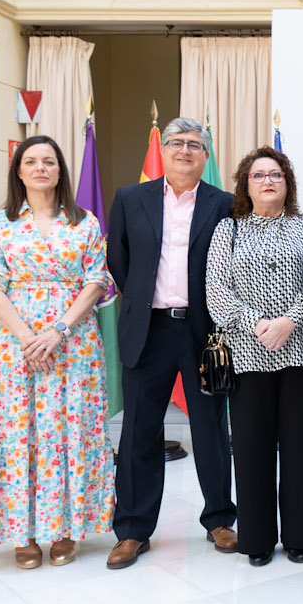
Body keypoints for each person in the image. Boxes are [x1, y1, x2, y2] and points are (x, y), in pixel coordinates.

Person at [0, 136, 114, 567]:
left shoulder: (84, 222)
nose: (40, 168)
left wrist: (58, 331)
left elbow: (97, 281)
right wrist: (29, 337)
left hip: (74, 343)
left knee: (72, 433)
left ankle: (66, 527)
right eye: (31, 161)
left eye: (49, 161)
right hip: (14, 344)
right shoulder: (1, 223)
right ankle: (22, 531)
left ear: (60, 170)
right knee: (20, 434)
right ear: (18, 170)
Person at [104, 117, 238, 569]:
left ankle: (220, 519)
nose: (185, 150)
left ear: (206, 155)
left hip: (204, 333)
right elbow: (119, 262)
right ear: (162, 149)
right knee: (140, 430)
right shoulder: (129, 198)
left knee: (211, 430)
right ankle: (132, 530)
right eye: (177, 143)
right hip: (148, 329)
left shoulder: (225, 203)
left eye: (195, 145)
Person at [206, 148, 303, 567]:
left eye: (276, 174)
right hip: (248, 354)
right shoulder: (228, 231)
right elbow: (217, 290)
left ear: (287, 182)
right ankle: (256, 539)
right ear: (245, 184)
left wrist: (290, 320)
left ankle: (300, 536)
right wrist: (258, 324)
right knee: (252, 450)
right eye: (258, 175)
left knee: (301, 448)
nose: (268, 181)